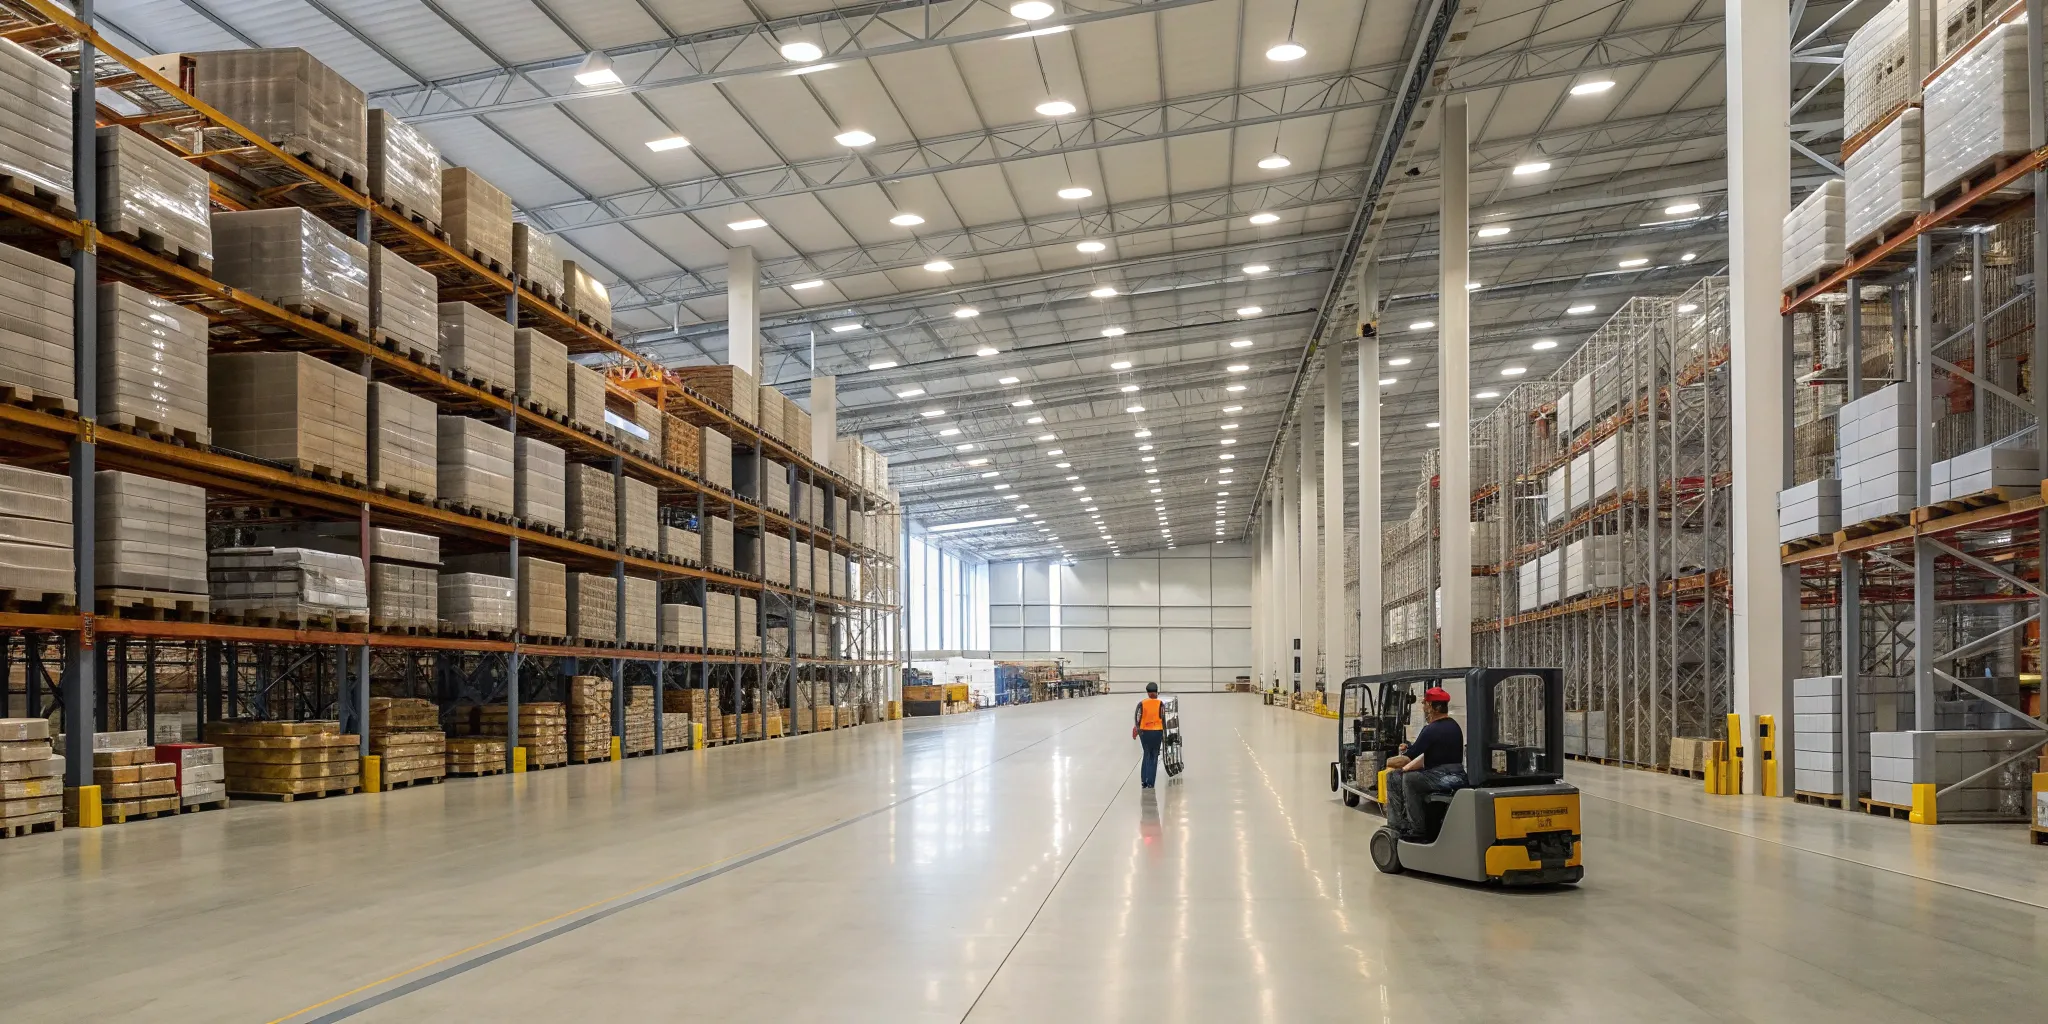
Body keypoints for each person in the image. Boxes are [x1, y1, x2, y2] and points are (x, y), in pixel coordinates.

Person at [1384, 686, 1467, 841]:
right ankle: (1402, 823)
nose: (1422, 708)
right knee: (1398, 776)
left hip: (1444, 776)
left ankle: (1415, 829)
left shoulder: (1431, 729)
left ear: (1431, 707)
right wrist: (1409, 748)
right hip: (1455, 774)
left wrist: (1387, 761)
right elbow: (1426, 751)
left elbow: (1407, 759)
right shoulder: (1453, 726)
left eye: (1424, 704)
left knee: (1408, 778)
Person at [1133, 683, 1166, 788]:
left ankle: (1144, 781)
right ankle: (1151, 782)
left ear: (1147, 693)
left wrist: (1137, 729)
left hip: (1144, 732)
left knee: (1146, 753)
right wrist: (1164, 733)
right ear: (1156, 692)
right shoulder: (1161, 704)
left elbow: (1137, 718)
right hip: (1157, 732)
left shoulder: (1142, 703)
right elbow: (1163, 718)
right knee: (1154, 755)